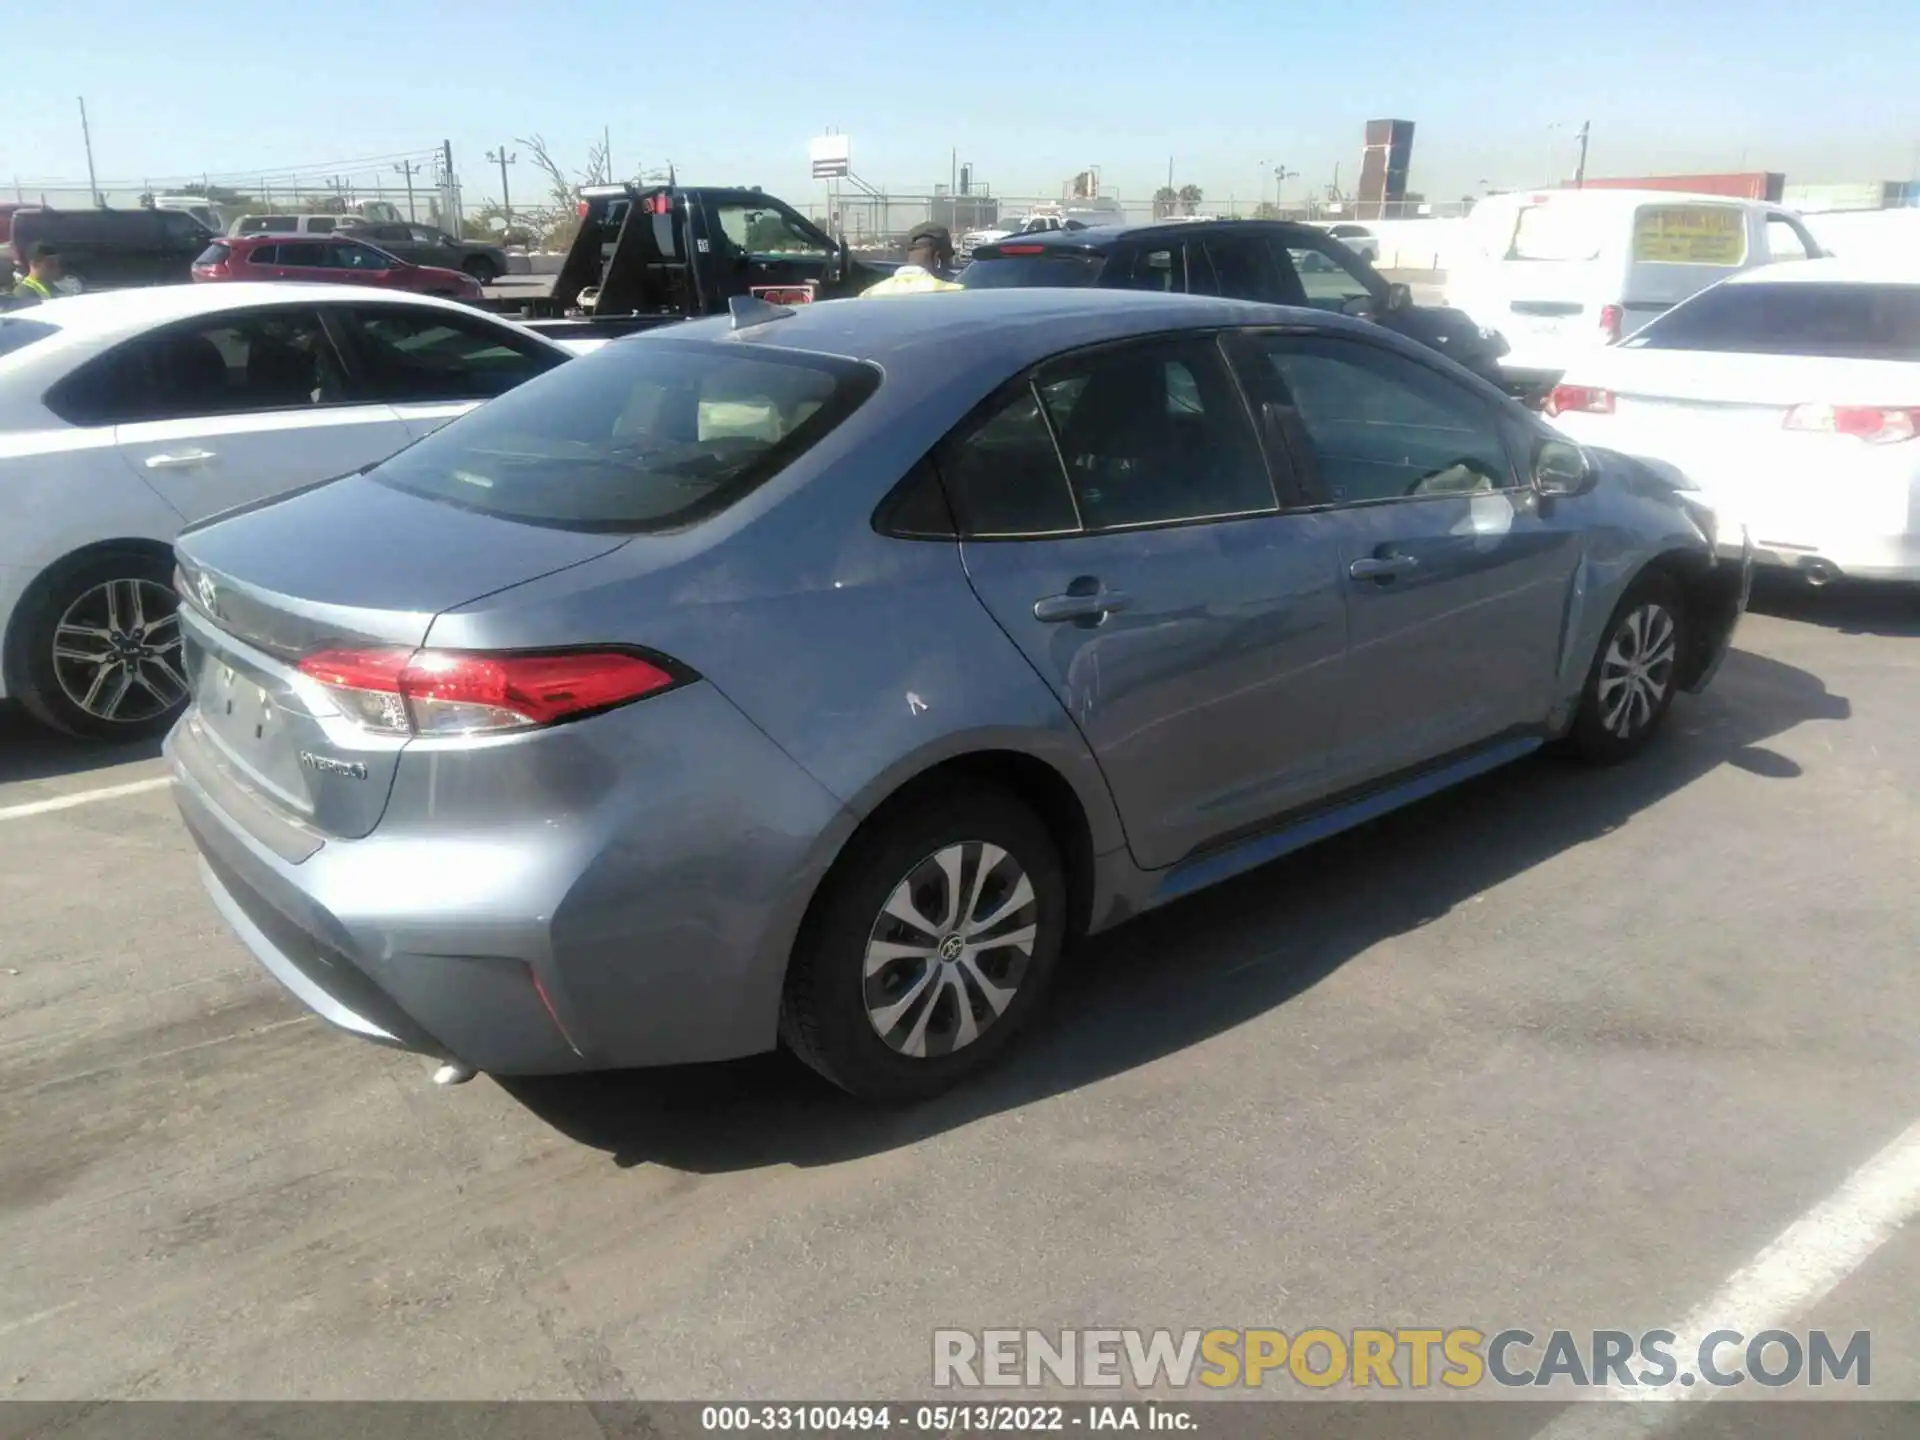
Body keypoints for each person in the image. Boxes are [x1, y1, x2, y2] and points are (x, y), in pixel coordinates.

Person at [860, 224, 963, 297]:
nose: (949, 272)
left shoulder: (869, 294)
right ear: (937, 259)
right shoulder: (953, 294)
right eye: (948, 262)